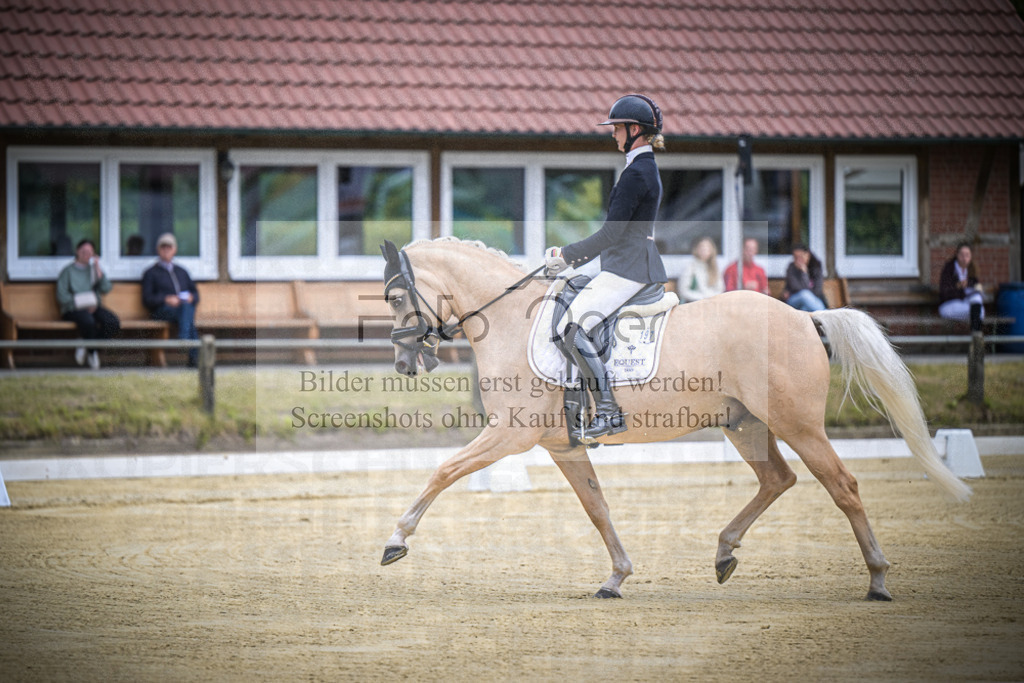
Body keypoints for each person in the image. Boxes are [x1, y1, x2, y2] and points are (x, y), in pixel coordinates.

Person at [544, 94, 668, 440]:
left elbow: (612, 233)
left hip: (629, 268)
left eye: (616, 128)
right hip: (623, 263)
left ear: (634, 130)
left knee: (572, 326)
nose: (612, 134)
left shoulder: (637, 172)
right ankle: (579, 406)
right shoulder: (640, 167)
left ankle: (609, 412)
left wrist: (566, 254)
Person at [56, 239, 120, 369]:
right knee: (88, 321)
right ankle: (93, 353)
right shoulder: (68, 271)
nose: (86, 254)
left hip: (94, 307)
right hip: (72, 309)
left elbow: (106, 288)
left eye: (89, 252)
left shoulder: (93, 270)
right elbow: (61, 296)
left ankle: (88, 346)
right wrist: (80, 303)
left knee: (113, 322)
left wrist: (98, 270)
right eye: (83, 251)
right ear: (77, 251)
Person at [142, 233, 200, 366]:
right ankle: (193, 354)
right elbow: (147, 299)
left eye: (169, 247)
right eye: (163, 247)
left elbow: (196, 294)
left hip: (181, 311)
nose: (166, 250)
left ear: (175, 249)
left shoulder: (182, 271)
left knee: (186, 309)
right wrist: (166, 299)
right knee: (187, 314)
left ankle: (185, 340)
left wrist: (192, 297)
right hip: (161, 311)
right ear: (158, 250)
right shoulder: (151, 273)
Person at [938, 242, 985, 322]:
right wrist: (958, 286)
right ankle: (976, 331)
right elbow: (944, 292)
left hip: (966, 303)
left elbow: (978, 288)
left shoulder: (971, 270)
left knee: (980, 309)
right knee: (977, 312)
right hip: (950, 304)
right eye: (961, 255)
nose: (964, 258)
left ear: (971, 257)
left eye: (967, 255)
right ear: (957, 255)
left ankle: (976, 332)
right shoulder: (949, 269)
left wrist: (969, 285)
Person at [678, 236, 724, 302]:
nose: (704, 249)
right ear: (696, 249)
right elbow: (683, 291)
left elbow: (720, 289)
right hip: (694, 302)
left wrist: (711, 297)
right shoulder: (690, 267)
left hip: (712, 302)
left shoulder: (715, 267)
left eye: (707, 247)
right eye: (702, 247)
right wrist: (702, 297)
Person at [782, 244, 826, 311]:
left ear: (807, 255)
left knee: (804, 308)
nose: (798, 260)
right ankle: (823, 313)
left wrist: (804, 274)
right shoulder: (791, 268)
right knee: (804, 294)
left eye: (800, 257)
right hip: (794, 300)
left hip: (813, 300)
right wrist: (804, 273)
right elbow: (796, 288)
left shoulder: (816, 266)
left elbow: (818, 290)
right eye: (795, 257)